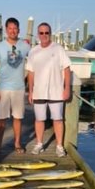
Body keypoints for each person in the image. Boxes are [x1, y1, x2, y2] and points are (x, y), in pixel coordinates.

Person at [27, 22, 71, 157]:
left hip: (56, 91)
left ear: (50, 34)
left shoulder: (58, 49)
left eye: (47, 33)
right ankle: (39, 144)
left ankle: (59, 146)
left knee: (58, 119)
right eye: (41, 33)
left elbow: (67, 69)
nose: (44, 35)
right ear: (38, 35)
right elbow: (30, 72)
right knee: (39, 119)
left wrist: (67, 88)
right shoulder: (33, 51)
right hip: (39, 91)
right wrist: (30, 90)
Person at [0, 17, 30, 155]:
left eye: (15, 28)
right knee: (1, 119)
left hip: (19, 88)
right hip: (3, 88)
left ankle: (17, 143)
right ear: (6, 30)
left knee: (18, 117)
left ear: (18, 30)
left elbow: (36, 60)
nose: (13, 31)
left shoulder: (25, 46)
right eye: (10, 28)